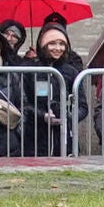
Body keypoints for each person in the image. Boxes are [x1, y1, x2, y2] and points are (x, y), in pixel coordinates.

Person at [26, 24, 84, 156]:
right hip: (36, 137)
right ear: (43, 45)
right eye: (52, 43)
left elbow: (83, 106)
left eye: (62, 44)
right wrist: (43, 116)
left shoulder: (71, 72)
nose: (58, 48)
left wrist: (68, 117)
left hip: (65, 138)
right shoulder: (30, 70)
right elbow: (24, 103)